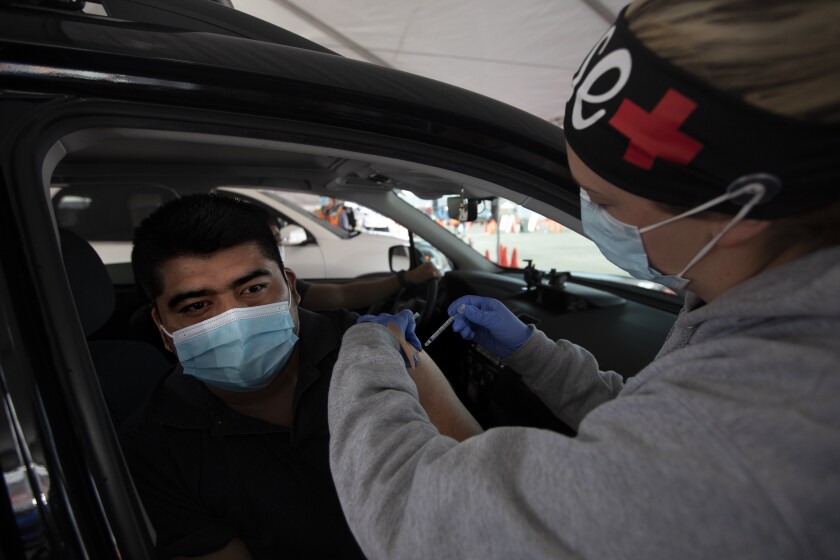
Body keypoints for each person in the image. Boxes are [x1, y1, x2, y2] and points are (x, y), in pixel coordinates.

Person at [326, 1, 840, 558]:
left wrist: (365, 353)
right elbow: (650, 429)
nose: (592, 216)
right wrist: (535, 353)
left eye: (603, 200)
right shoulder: (753, 326)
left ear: (740, 207)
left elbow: (411, 515)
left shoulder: (764, 425)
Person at [119, 194, 481, 559]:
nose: (234, 320)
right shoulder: (154, 442)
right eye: (197, 306)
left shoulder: (375, 348)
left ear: (291, 287)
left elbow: (484, 486)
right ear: (162, 327)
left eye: (253, 289)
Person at [251, 202, 442, 312]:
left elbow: (343, 295)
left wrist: (404, 279)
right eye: (266, 242)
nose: (275, 249)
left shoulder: (287, 284)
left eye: (277, 240)